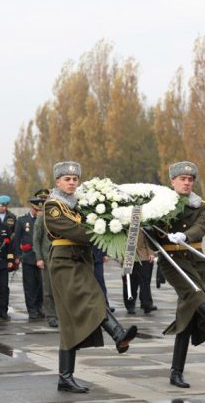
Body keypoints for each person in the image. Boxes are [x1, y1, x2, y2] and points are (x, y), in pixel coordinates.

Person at [140, 161, 205, 388]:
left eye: (190, 180)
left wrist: (185, 236)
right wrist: (148, 228)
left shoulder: (202, 206)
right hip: (171, 261)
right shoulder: (159, 205)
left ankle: (176, 372)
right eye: (182, 179)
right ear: (172, 181)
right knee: (195, 295)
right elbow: (152, 237)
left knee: (187, 313)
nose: (186, 183)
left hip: (194, 260)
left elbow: (200, 228)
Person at [46, 161, 137, 393]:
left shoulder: (79, 205)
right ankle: (118, 335)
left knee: (74, 318)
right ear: (57, 181)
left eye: (75, 179)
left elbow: (89, 224)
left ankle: (65, 378)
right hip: (64, 262)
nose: (72, 183)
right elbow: (74, 231)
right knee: (92, 298)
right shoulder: (53, 205)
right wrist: (104, 230)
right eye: (67, 179)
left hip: (79, 261)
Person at [14, 195, 44, 320]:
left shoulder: (44, 220)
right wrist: (17, 256)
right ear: (32, 207)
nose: (38, 212)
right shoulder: (22, 220)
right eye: (37, 210)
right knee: (30, 285)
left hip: (42, 258)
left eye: (40, 210)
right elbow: (17, 239)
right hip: (28, 257)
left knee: (41, 285)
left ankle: (40, 307)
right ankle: (32, 309)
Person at [32, 189, 58, 327]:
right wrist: (39, 258)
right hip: (47, 258)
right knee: (48, 290)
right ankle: (51, 316)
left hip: (61, 258)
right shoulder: (42, 218)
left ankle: (62, 314)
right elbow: (36, 240)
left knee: (61, 288)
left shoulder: (60, 216)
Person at [121, 246, 156, 315]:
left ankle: (146, 304)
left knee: (145, 281)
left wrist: (151, 253)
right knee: (129, 282)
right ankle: (130, 305)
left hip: (144, 255)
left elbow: (149, 241)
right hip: (128, 255)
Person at [92, 246, 115, 312]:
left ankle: (105, 305)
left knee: (100, 282)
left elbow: (103, 241)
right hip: (84, 257)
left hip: (97, 257)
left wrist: (104, 254)